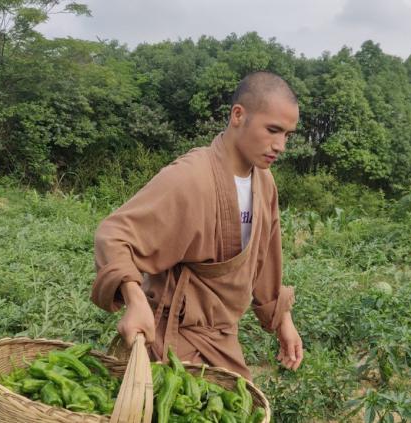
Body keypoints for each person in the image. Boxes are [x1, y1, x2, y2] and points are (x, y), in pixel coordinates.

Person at [91, 71, 303, 379]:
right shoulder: (190, 177)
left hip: (222, 339)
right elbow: (114, 235)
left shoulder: (264, 183)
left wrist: (283, 319)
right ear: (238, 115)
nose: (280, 145)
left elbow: (265, 260)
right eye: (273, 130)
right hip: (169, 339)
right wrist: (135, 300)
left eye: (287, 134)